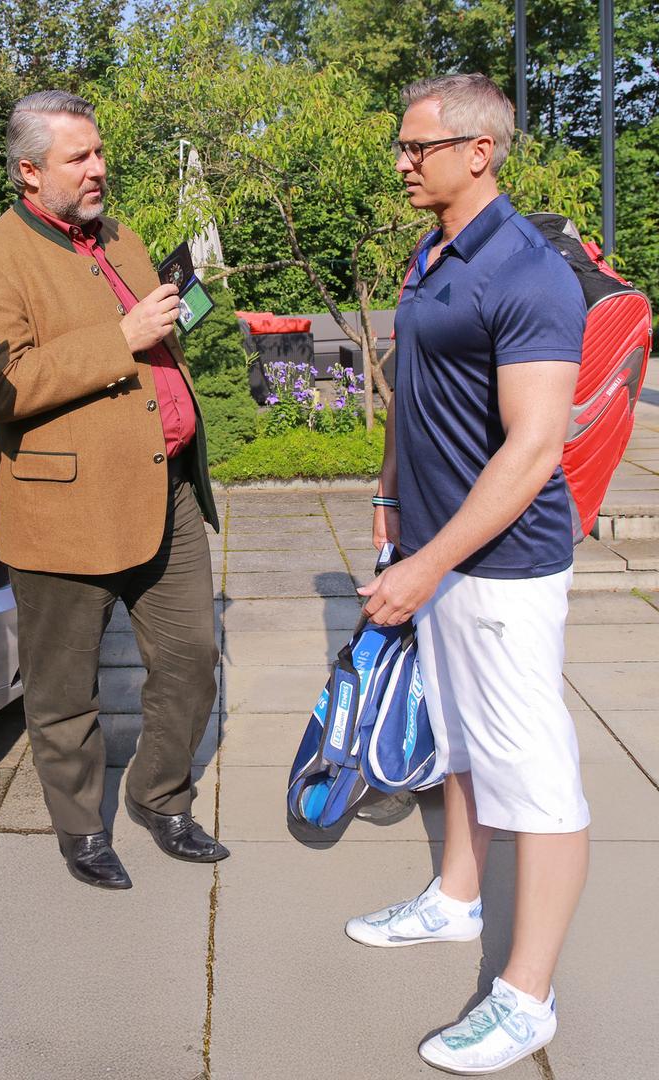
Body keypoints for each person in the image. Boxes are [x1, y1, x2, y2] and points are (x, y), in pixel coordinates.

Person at [346, 73, 589, 1076]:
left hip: (503, 568)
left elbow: (533, 449)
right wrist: (394, 499)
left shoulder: (531, 273)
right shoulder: (434, 248)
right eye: (403, 148)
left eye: (418, 148)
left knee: (535, 775)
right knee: (457, 741)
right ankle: (454, 899)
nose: (402, 162)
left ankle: (527, 997)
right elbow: (418, 387)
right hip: (437, 553)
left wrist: (433, 564)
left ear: (479, 151)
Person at [0, 90, 226, 891]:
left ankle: (160, 797)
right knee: (64, 686)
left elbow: (152, 340)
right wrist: (123, 336)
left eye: (99, 151)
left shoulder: (123, 238)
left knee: (193, 659)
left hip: (163, 486)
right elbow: (3, 389)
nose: (99, 167)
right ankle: (79, 826)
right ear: (30, 172)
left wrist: (175, 313)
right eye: (80, 157)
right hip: (60, 505)